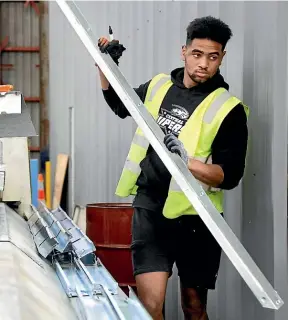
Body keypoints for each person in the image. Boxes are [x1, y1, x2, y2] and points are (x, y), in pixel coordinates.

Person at [97, 16, 248, 320]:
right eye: (197, 54)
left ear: (222, 58)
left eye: (213, 56)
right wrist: (105, 63)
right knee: (150, 306)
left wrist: (187, 163)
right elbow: (118, 103)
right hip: (151, 208)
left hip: (197, 216)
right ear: (184, 51)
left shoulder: (228, 108)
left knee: (193, 306)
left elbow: (229, 176)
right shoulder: (158, 86)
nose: (203, 63)